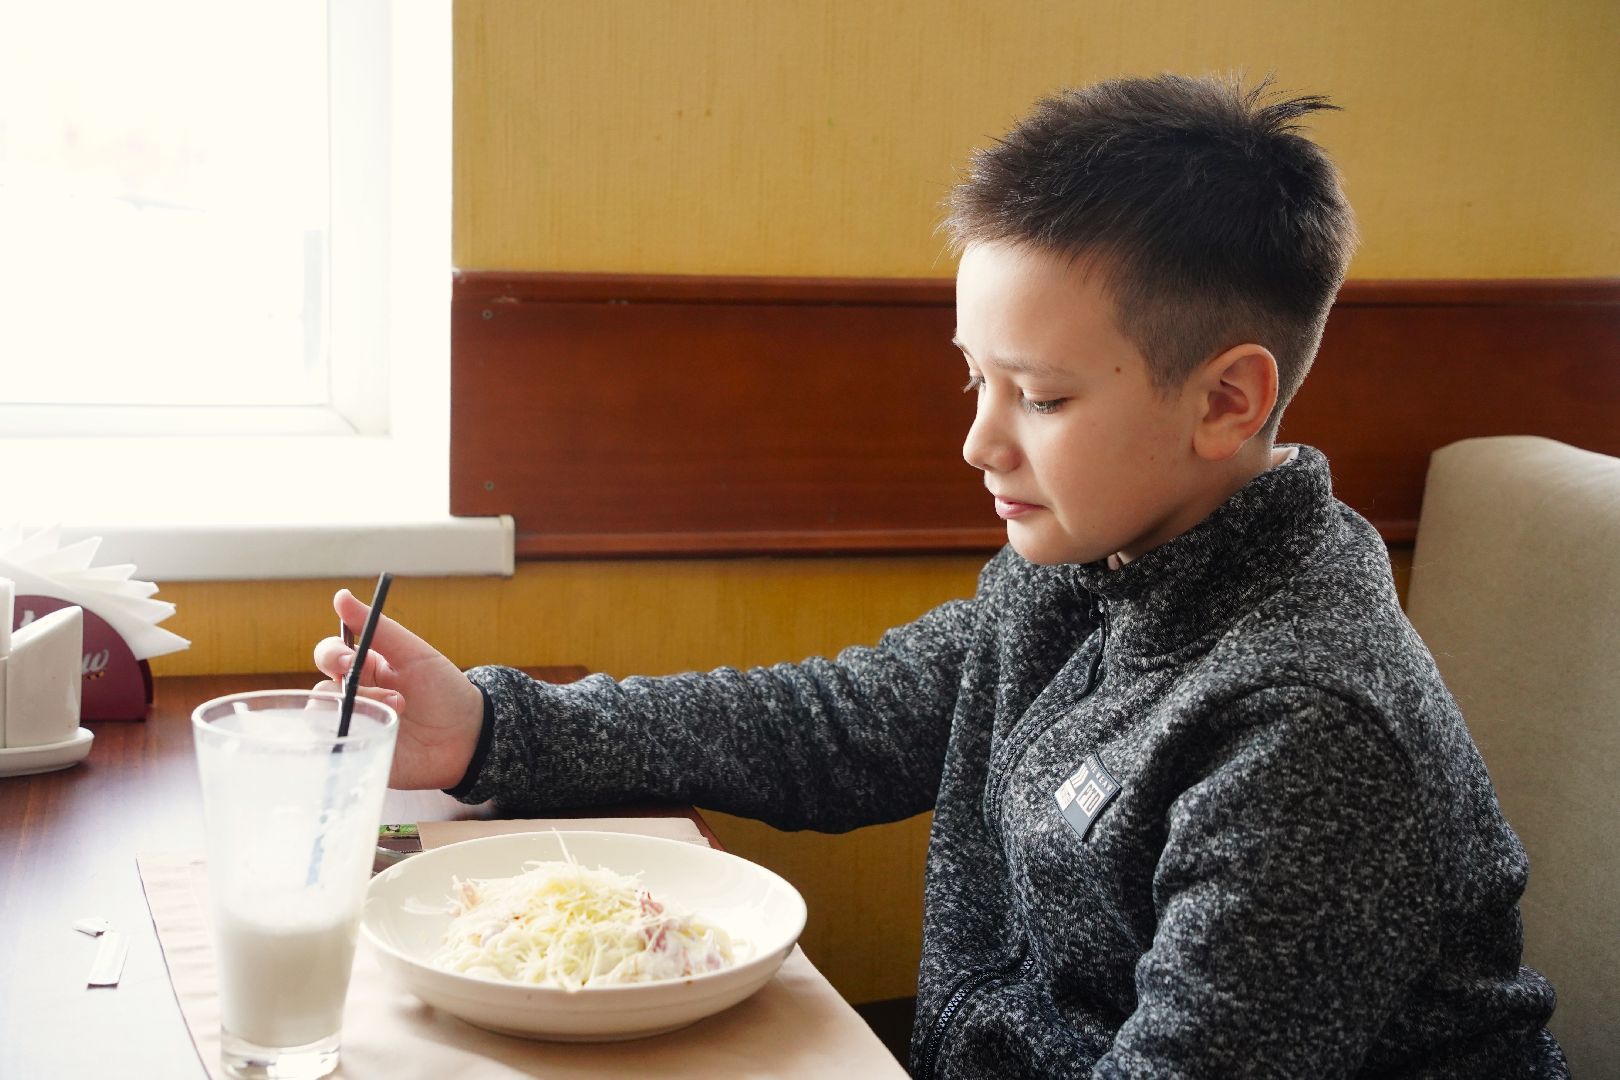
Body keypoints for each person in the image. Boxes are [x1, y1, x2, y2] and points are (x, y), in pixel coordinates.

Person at [314, 73, 1567, 1078]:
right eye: (975, 377)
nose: (980, 440)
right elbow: (838, 724)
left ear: (1227, 399)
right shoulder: (1095, 558)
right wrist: (490, 728)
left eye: (1042, 395)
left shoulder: (1306, 729)